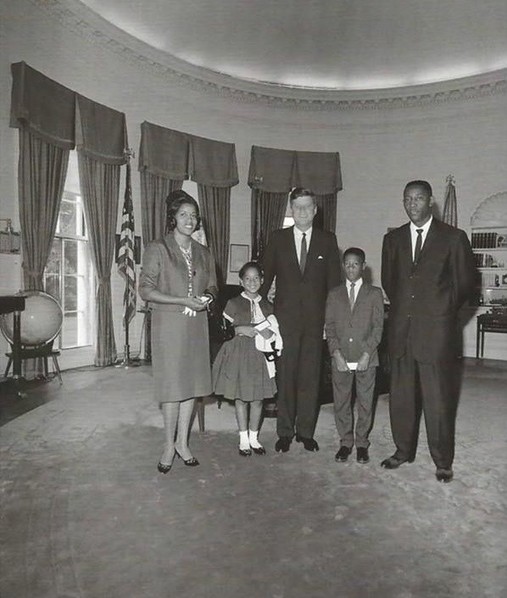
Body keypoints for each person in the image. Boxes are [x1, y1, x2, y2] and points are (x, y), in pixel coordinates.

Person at [381, 180, 476, 483]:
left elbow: (465, 286)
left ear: (431, 202)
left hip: (436, 333)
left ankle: (442, 461)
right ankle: (402, 451)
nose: (412, 205)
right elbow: (390, 282)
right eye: (407, 199)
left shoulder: (453, 238)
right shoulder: (393, 239)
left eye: (419, 199)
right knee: (402, 397)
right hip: (401, 332)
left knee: (438, 401)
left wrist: (443, 316)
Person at [139, 190, 217, 474]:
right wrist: (182, 300)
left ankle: (183, 443)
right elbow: (145, 290)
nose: (190, 219)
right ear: (173, 218)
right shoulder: (157, 248)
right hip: (168, 326)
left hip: (196, 325)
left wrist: (206, 298)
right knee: (172, 388)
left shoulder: (203, 252)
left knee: (191, 387)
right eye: (184, 214)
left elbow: (212, 285)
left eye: (194, 215)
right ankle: (168, 445)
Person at [261, 187, 341, 453]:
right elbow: (263, 282)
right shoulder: (277, 239)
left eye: (308, 207)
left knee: (310, 378)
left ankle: (306, 432)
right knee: (285, 378)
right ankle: (284, 432)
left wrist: (330, 326)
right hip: (284, 323)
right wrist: (260, 318)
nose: (303, 212)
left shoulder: (328, 241)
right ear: (290, 210)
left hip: (315, 324)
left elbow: (335, 288)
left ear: (316, 210)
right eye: (298, 207)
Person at [212, 262, 282, 456]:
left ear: (262, 280)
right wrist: (239, 329)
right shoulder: (233, 303)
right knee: (242, 397)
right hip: (239, 353)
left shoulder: (268, 305)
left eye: (256, 278)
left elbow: (275, 331)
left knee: (258, 399)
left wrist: (271, 334)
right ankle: (243, 439)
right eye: (248, 279)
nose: (252, 282)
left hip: (261, 356)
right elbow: (221, 331)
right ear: (241, 281)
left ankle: (254, 437)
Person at [325, 247, 384, 464]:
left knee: (365, 402)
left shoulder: (375, 293)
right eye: (347, 264)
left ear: (363, 266)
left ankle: (361, 444)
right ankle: (345, 442)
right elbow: (329, 327)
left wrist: (368, 353)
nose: (351, 268)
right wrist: (336, 354)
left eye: (355, 264)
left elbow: (378, 327)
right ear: (343, 266)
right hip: (341, 356)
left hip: (366, 357)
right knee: (341, 402)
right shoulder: (334, 294)